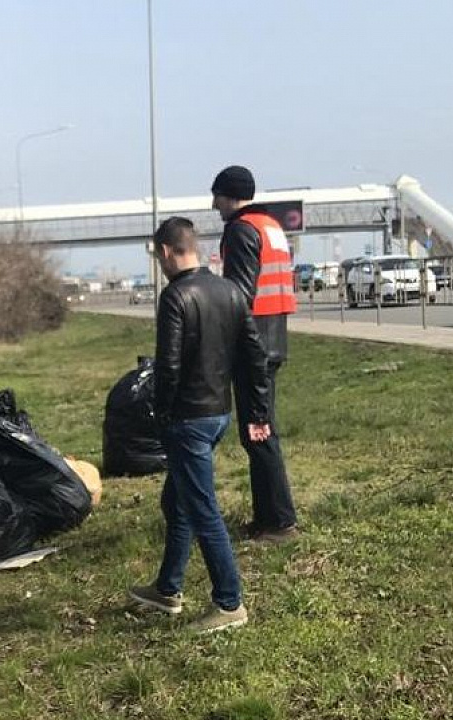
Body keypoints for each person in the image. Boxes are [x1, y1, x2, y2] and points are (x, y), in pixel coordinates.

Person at [128, 217, 272, 634]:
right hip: (218, 414)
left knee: (202, 509)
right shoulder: (230, 291)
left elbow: (167, 366)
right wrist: (258, 411)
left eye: (159, 257)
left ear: (167, 252)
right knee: (178, 501)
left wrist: (161, 413)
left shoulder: (176, 297)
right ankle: (167, 588)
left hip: (187, 419)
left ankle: (229, 602)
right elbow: (254, 357)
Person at [211, 165, 301, 543]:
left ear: (229, 195)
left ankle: (279, 522)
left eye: (216, 196)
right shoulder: (271, 226)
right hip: (273, 340)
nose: (213, 204)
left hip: (253, 347)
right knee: (261, 430)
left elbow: (240, 295)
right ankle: (270, 517)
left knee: (258, 433)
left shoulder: (241, 229)